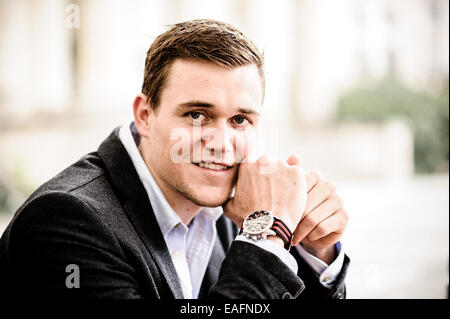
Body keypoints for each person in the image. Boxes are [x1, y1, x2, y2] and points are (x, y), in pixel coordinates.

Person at [0, 19, 349, 299]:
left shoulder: (230, 207)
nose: (221, 142)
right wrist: (267, 234)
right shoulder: (63, 220)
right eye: (197, 115)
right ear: (145, 115)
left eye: (240, 120)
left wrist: (313, 251)